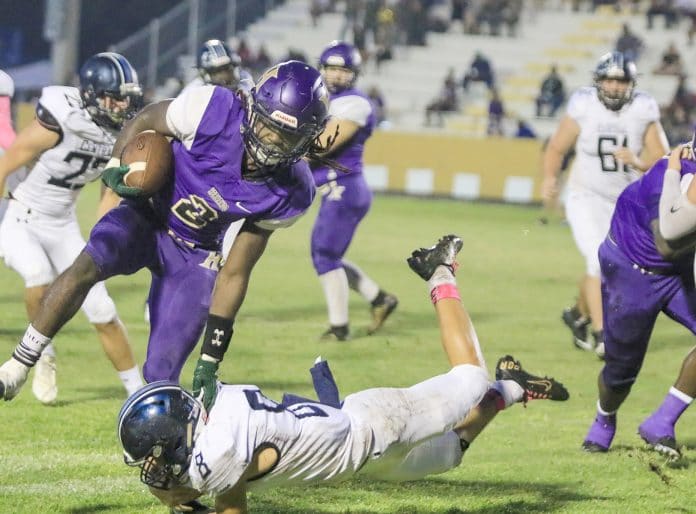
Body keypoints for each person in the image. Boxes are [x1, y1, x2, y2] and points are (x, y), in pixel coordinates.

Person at [117, 235, 569, 513]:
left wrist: (175, 498)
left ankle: (440, 272)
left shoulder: (217, 454)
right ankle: (511, 388)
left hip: (375, 426)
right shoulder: (213, 411)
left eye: (153, 456)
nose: (152, 466)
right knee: (450, 454)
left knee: (470, 376)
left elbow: (226, 503)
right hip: (359, 454)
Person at [0, 61, 331, 411]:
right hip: (147, 216)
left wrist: (211, 357)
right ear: (252, 108)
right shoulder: (213, 108)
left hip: (196, 254)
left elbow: (236, 272)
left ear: (309, 138)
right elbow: (146, 118)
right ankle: (21, 362)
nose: (273, 143)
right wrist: (116, 164)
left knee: (162, 374)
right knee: (88, 264)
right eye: (269, 127)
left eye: (288, 136)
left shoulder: (293, 191)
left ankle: (164, 450)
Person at [0, 53, 145, 404]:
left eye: (126, 97)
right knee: (37, 274)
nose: (121, 105)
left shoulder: (121, 133)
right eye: (114, 96)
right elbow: (6, 163)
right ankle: (43, 354)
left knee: (103, 311)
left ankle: (139, 392)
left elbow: (107, 196)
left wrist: (103, 248)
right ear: (93, 94)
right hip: (21, 216)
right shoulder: (62, 118)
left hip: (63, 225)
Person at [542, 51, 669, 358]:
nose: (614, 86)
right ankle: (603, 336)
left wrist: (637, 162)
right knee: (598, 260)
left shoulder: (642, 109)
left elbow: (662, 159)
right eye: (609, 79)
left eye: (621, 80)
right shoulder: (583, 106)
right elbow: (557, 147)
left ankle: (577, 313)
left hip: (624, 203)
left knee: (620, 268)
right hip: (585, 195)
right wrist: (549, 178)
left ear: (631, 84)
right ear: (598, 81)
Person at [582, 142, 696, 459]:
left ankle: (662, 421)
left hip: (679, 270)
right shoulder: (671, 175)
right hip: (632, 271)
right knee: (621, 373)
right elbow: (667, 244)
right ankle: (604, 416)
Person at [311, 41, 398, 341]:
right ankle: (379, 298)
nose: (335, 75)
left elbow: (322, 146)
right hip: (336, 187)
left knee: (324, 254)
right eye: (331, 68)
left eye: (343, 70)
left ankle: (339, 327)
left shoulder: (355, 103)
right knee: (327, 256)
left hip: (345, 187)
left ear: (354, 74)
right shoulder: (321, 99)